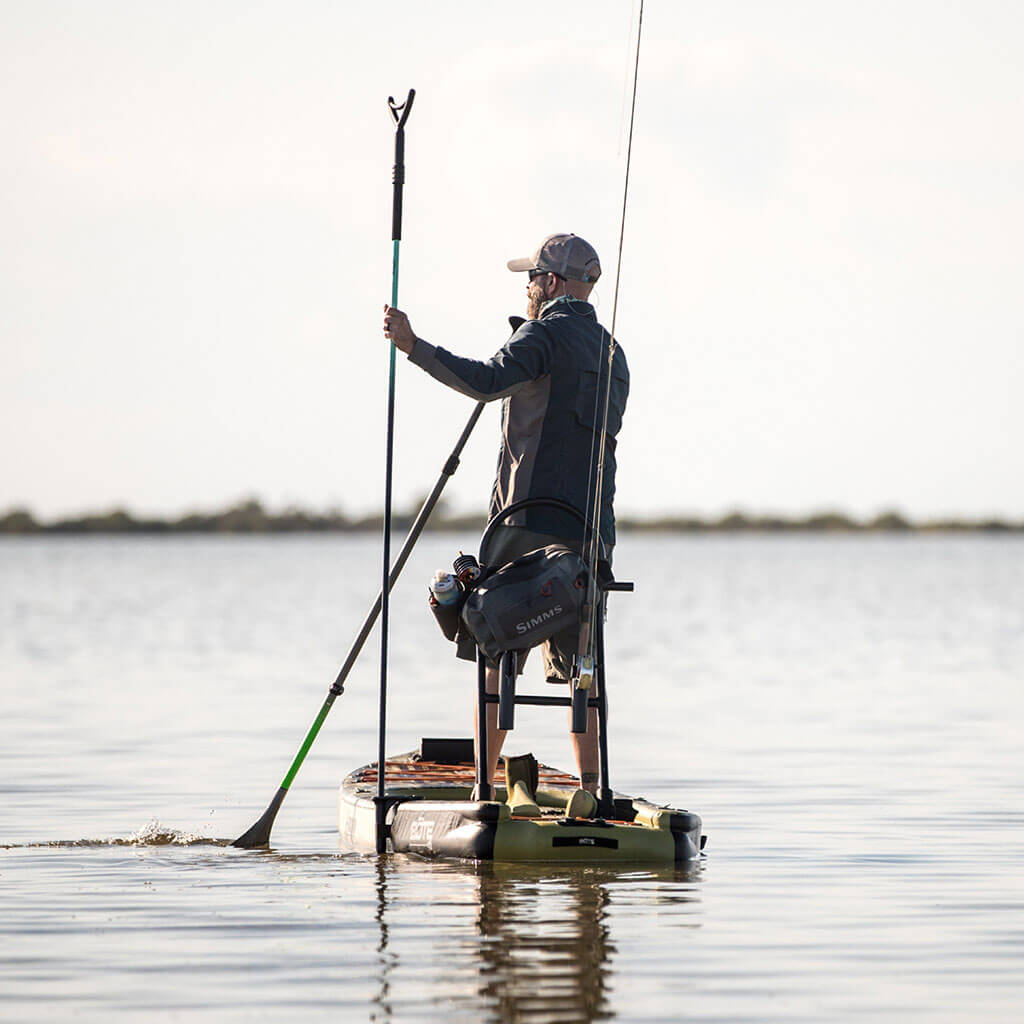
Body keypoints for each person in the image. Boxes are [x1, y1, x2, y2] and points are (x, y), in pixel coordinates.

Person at [382, 232, 629, 815]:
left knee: (494, 646)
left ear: (551, 283)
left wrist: (414, 345)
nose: (527, 287)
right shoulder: (615, 353)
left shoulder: (539, 335)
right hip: (589, 536)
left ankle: (484, 788)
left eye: (531, 278)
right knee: (582, 665)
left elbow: (486, 382)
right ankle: (592, 789)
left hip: (522, 527)